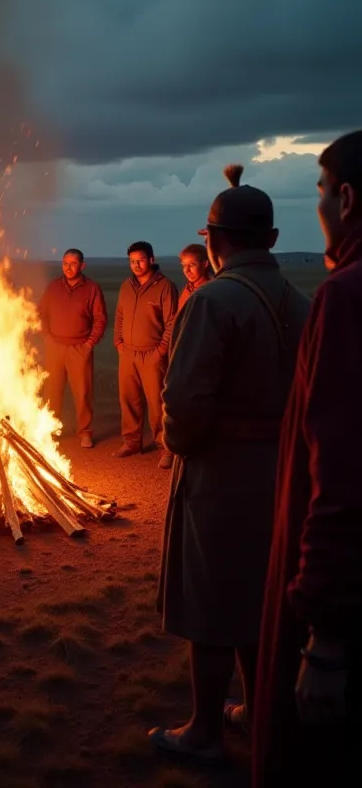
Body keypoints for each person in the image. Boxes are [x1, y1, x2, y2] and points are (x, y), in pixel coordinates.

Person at [149, 164, 310, 763]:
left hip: (222, 474)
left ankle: (206, 732)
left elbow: (185, 404)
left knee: (214, 602)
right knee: (261, 598)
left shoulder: (213, 300)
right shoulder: (302, 300)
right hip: (286, 473)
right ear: (270, 240)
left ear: (212, 241)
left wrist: (181, 448)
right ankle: (260, 715)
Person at [252, 132, 362, 787]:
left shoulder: (346, 298)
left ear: (347, 198)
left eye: (320, 190)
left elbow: (343, 479)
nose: (317, 205)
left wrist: (326, 637)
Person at [113, 241, 178, 467]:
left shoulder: (165, 286)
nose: (136, 265)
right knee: (129, 399)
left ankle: (165, 447)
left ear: (151, 259)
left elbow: (172, 321)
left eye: (140, 260)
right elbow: (119, 315)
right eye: (132, 261)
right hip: (128, 352)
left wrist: (161, 349)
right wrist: (119, 342)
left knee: (157, 402)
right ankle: (132, 441)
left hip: (152, 353)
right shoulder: (125, 286)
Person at [38, 249, 107, 448]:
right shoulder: (53, 288)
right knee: (52, 391)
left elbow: (100, 318)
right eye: (65, 263)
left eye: (74, 263)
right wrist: (47, 337)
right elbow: (41, 313)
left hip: (80, 348)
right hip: (55, 348)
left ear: (82, 266)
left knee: (83, 392)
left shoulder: (92, 288)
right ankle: (50, 430)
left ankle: (85, 432)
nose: (69, 267)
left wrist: (89, 343)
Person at [177, 243, 213, 311]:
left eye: (192, 265)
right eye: (184, 265)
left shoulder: (210, 292)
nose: (186, 270)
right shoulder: (189, 288)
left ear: (205, 264)